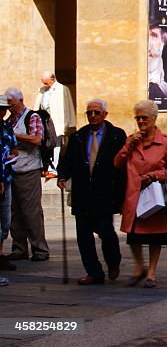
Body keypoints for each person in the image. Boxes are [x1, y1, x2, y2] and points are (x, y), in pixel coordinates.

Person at [113, 99, 167, 289]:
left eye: (144, 118)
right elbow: (117, 163)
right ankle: (139, 267)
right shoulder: (132, 140)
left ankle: (151, 272)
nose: (141, 121)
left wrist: (155, 175)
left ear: (153, 118)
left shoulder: (165, 142)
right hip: (134, 194)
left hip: (155, 194)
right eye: (138, 118)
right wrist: (127, 145)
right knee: (133, 234)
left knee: (156, 235)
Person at [57, 99, 127, 285]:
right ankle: (94, 272)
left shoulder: (116, 135)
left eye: (96, 112)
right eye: (89, 113)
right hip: (82, 193)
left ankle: (113, 262)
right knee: (83, 236)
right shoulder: (78, 136)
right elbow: (67, 159)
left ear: (105, 114)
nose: (93, 116)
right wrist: (62, 176)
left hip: (104, 194)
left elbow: (122, 168)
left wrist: (121, 195)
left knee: (106, 232)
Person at [4, 87, 49, 262]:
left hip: (28, 170)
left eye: (11, 104)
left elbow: (37, 139)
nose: (9, 108)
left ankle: (40, 249)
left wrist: (14, 135)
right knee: (14, 211)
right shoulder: (9, 120)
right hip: (12, 170)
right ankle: (19, 248)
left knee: (31, 211)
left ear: (20, 101)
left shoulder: (33, 117)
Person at [34, 71, 76, 177]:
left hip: (57, 121)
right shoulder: (42, 90)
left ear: (52, 79)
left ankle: (53, 169)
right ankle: (45, 167)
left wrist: (71, 122)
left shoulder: (62, 89)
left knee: (56, 144)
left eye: (46, 82)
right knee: (45, 145)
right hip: (45, 122)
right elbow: (37, 106)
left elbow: (69, 105)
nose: (44, 85)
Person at [0, 95, 15, 278]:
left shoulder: (6, 127)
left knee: (5, 218)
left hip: (8, 176)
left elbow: (13, 147)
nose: (2, 112)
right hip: (3, 178)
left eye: (4, 109)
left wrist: (13, 154)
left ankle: (1, 252)